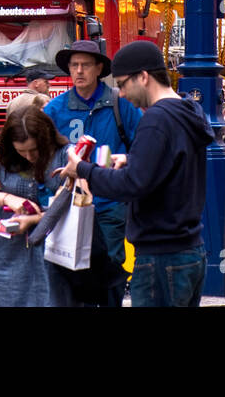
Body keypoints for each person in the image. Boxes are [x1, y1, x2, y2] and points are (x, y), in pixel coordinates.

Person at [61, 40, 213, 308]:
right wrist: (133, 159)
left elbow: (132, 185)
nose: (120, 94)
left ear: (143, 77)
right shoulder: (186, 111)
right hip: (190, 252)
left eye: (122, 84)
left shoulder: (156, 119)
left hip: (161, 257)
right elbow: (172, 165)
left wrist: (82, 169)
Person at [44, 38, 142, 306]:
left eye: (85, 65)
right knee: (70, 267)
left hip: (109, 202)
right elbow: (42, 157)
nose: (78, 71)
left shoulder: (121, 105)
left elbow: (143, 149)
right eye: (74, 65)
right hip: (68, 203)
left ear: (99, 68)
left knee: (110, 265)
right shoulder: (54, 109)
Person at [0, 106, 67, 306]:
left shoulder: (64, 155)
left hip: (57, 250)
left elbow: (71, 202)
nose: (29, 156)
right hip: (9, 251)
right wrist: (7, 198)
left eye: (34, 149)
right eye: (21, 151)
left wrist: (35, 219)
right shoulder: (0, 154)